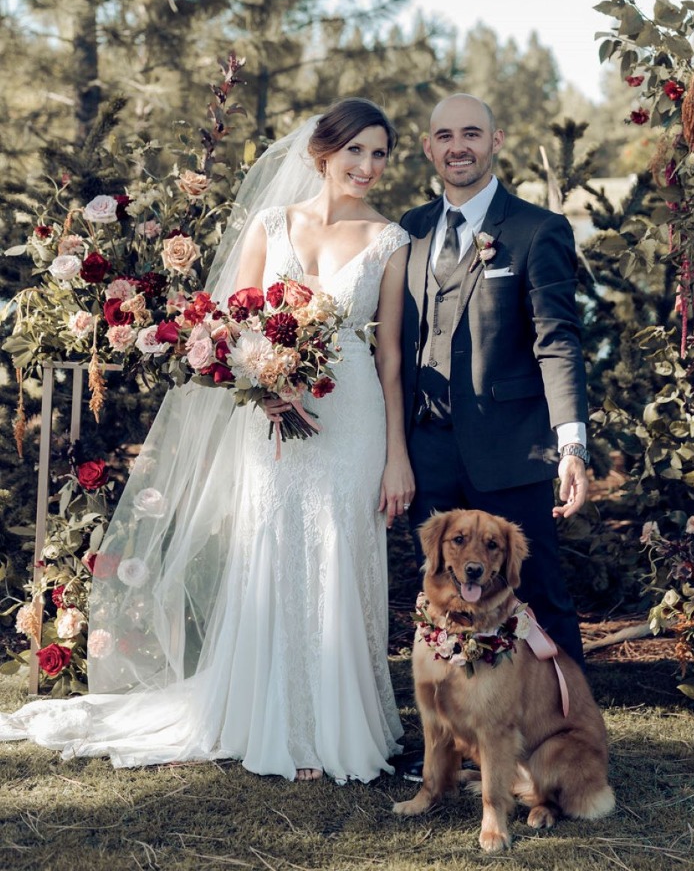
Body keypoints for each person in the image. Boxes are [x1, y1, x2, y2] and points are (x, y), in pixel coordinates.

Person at [0, 99, 415, 784]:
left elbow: (392, 356)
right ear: (323, 153)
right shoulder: (270, 223)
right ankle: (269, 718)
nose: (367, 167)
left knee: (342, 547)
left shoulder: (390, 240)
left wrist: (397, 454)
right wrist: (264, 383)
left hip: (353, 417)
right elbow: (225, 328)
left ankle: (337, 723)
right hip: (268, 415)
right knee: (272, 548)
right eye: (356, 152)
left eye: (380, 154)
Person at [400, 93, 589, 664]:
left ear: (495, 141)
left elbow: (557, 340)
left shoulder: (538, 229)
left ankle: (567, 737)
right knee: (440, 597)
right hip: (426, 449)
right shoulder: (409, 230)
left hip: (510, 446)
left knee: (537, 596)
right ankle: (458, 739)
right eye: (446, 136)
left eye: (472, 134)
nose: (458, 147)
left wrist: (572, 444)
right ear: (429, 146)